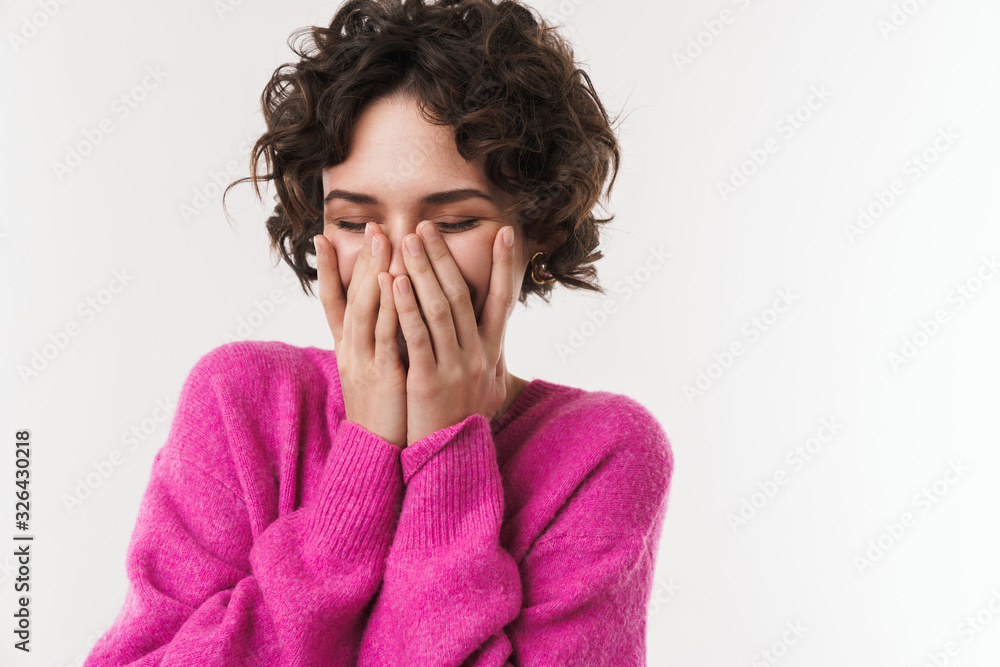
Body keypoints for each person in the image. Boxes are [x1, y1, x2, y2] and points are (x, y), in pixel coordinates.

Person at [84, 0, 674, 664]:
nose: (396, 264)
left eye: (452, 223)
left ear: (540, 232)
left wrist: (446, 453)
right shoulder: (239, 400)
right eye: (355, 222)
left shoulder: (602, 451)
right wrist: (361, 466)